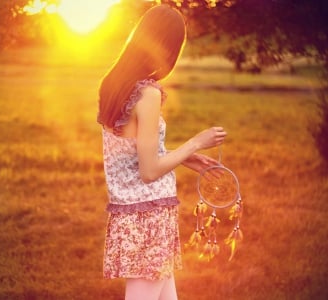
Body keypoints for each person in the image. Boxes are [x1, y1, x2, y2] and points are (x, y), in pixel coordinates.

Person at [97, 4, 227, 300]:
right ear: (168, 47)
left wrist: (186, 158)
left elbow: (134, 151)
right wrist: (196, 142)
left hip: (132, 213)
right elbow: (149, 170)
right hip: (149, 215)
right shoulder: (149, 93)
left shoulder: (114, 85)